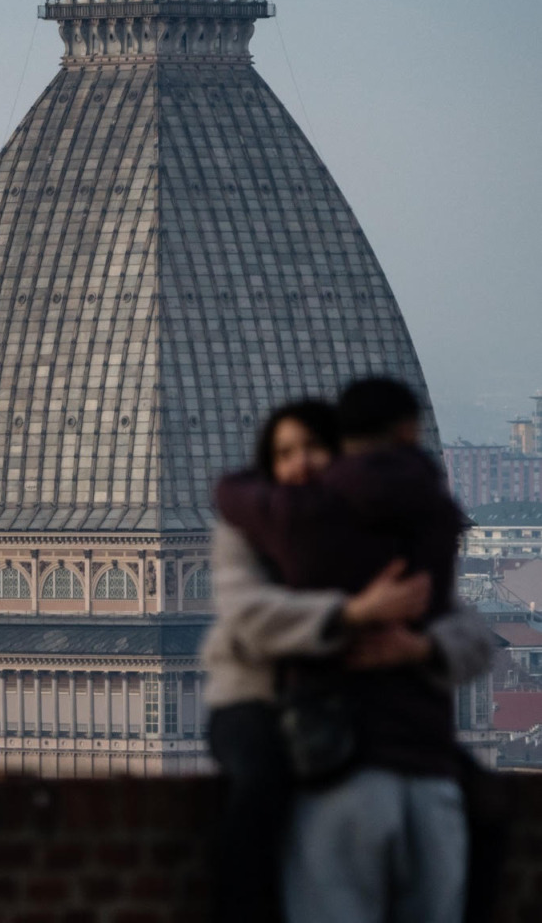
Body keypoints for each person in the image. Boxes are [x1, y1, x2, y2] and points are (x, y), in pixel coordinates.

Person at [203, 393, 493, 923]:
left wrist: (422, 647)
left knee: (483, 800)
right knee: (261, 782)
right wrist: (351, 615)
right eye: (285, 452)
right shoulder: (248, 525)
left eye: (314, 447)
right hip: (257, 698)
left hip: (339, 706)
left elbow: (463, 624)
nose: (300, 463)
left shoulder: (358, 526)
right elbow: (248, 617)